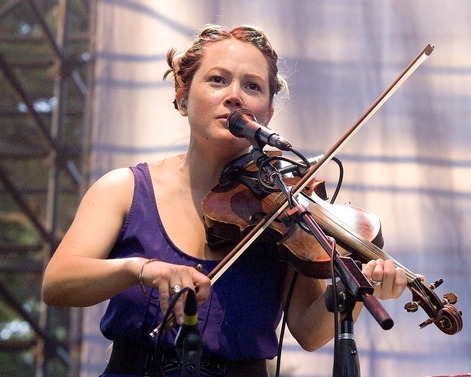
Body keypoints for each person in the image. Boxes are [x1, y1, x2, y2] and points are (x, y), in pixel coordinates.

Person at [42, 24, 407, 377]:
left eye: (252, 86)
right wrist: (141, 270)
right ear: (182, 97)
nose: (235, 95)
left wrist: (358, 289)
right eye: (217, 80)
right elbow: (58, 283)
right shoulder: (124, 188)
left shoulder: (286, 208)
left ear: (267, 114)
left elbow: (309, 333)